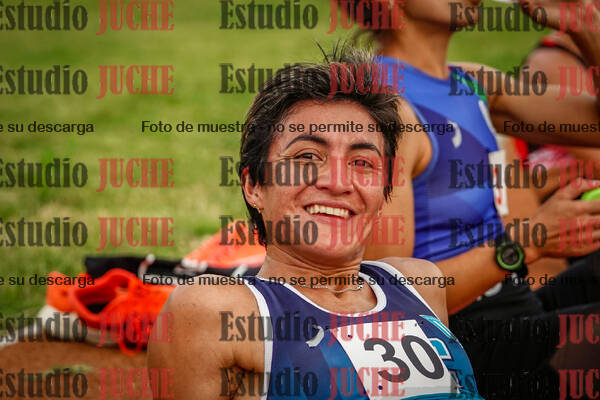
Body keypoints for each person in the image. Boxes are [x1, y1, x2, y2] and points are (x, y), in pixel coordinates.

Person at [148, 47, 485, 399]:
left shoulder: (419, 283)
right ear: (254, 186)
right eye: (307, 156)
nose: (338, 182)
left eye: (362, 162)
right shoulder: (217, 311)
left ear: (383, 194)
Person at [343, 1, 600, 398]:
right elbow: (386, 296)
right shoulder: (381, 106)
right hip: (455, 344)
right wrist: (524, 244)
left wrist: (583, 22)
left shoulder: (471, 83)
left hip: (513, 306)